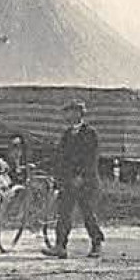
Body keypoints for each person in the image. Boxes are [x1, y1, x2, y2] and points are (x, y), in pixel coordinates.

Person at [44, 101, 105, 259]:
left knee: (88, 213)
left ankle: (96, 243)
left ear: (79, 113)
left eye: (70, 112)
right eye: (66, 112)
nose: (67, 115)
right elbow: (60, 158)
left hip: (87, 181)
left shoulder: (90, 133)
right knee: (64, 213)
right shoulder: (66, 135)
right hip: (68, 181)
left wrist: (82, 176)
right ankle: (60, 247)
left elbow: (92, 158)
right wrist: (57, 175)